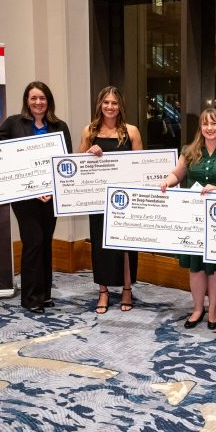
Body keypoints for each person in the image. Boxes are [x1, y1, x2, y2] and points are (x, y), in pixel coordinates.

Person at [0, 81, 73, 314]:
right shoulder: (14, 123)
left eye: (42, 98)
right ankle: (30, 298)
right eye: (33, 98)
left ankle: (44, 294)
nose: (38, 102)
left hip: (51, 197)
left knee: (45, 243)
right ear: (27, 101)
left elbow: (64, 162)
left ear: (49, 101)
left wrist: (52, 189)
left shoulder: (59, 126)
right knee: (33, 243)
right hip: (25, 198)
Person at [160, 108, 216, 329]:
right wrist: (167, 182)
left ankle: (213, 310)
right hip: (192, 218)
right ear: (201, 128)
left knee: (213, 267)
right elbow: (177, 173)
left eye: (214, 123)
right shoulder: (189, 151)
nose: (210, 128)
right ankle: (197, 309)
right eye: (205, 124)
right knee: (195, 267)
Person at [78, 86, 144, 313]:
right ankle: (103, 291)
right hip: (97, 199)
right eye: (106, 102)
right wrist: (88, 155)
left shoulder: (131, 131)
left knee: (125, 246)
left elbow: (141, 167)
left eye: (114, 103)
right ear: (100, 104)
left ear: (120, 106)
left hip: (125, 200)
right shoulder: (89, 131)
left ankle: (127, 289)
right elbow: (77, 165)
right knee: (100, 245)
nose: (110, 107)